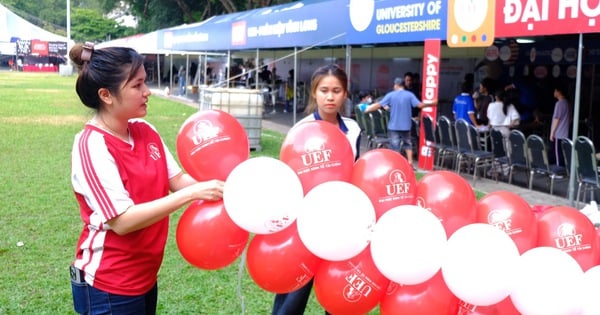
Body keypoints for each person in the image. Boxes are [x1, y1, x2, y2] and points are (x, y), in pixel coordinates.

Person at [67, 43, 224, 314]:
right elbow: (122, 221)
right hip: (108, 284)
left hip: (145, 277)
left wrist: (222, 190)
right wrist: (192, 194)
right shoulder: (91, 145)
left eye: (145, 83)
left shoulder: (144, 130)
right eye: (137, 85)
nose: (147, 92)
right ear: (106, 95)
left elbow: (177, 179)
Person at [272, 65, 361, 315]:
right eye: (324, 90)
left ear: (345, 94)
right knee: (293, 294)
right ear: (314, 92)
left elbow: (356, 172)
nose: (330, 97)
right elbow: (288, 176)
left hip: (343, 223)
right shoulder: (301, 131)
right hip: (306, 223)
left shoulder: (353, 130)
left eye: (336, 90)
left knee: (337, 291)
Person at [365, 77, 436, 167]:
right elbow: (420, 105)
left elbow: (379, 105)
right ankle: (410, 162)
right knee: (408, 144)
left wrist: (367, 110)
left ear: (396, 85)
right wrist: (432, 103)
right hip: (406, 125)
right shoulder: (409, 95)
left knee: (395, 146)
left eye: (394, 84)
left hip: (394, 126)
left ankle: (397, 164)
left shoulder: (391, 95)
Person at [549, 84, 571, 167]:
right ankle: (562, 169)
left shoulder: (559, 104)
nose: (554, 92)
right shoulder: (567, 103)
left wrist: (552, 133)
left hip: (558, 133)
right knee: (562, 152)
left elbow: (556, 119)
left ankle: (559, 170)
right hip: (565, 132)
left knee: (557, 153)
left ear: (559, 92)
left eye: (555, 91)